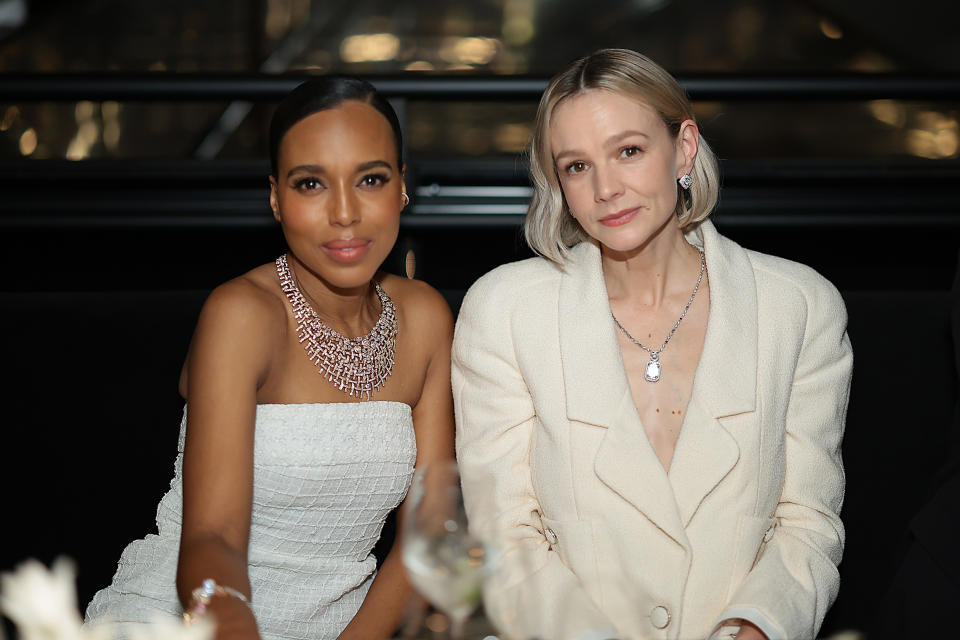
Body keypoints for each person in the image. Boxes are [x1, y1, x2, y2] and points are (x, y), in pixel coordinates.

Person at [453, 49, 850, 640]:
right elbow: (503, 534)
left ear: (684, 147)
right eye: (577, 167)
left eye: (629, 151)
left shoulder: (799, 307)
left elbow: (807, 524)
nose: (606, 188)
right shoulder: (506, 312)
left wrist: (756, 628)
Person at [85, 77, 455, 640]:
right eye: (311, 183)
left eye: (371, 179)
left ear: (402, 187)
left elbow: (427, 532)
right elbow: (212, 540)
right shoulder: (241, 314)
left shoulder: (425, 317)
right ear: (277, 197)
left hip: (346, 626)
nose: (345, 213)